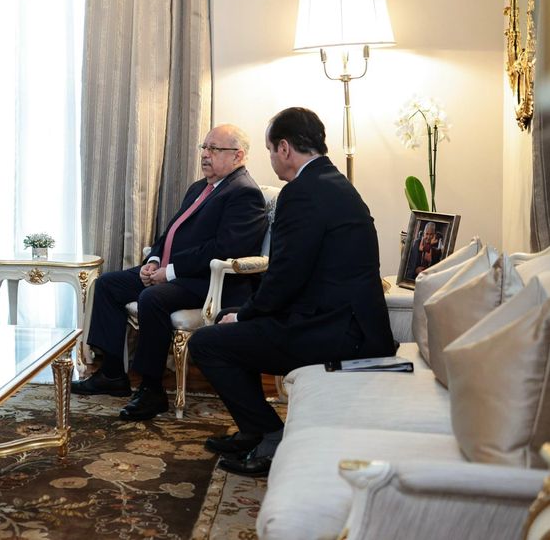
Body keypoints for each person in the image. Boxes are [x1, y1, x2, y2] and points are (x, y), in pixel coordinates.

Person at [188, 108, 395, 477]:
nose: (271, 160)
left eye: (270, 150)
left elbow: (285, 274)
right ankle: (254, 430)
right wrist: (248, 314)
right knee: (228, 325)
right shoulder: (334, 182)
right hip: (346, 322)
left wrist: (248, 313)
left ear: (284, 148)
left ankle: (270, 434)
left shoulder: (301, 192)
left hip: (334, 332)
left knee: (208, 342)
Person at [73, 124, 269, 421]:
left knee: (153, 298)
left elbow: (223, 249)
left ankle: (152, 390)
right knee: (109, 284)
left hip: (213, 283)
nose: (205, 155)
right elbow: (170, 233)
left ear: (237, 155)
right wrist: (153, 260)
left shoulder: (244, 193)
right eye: (204, 147)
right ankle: (113, 374)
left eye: (214, 149)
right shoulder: (199, 188)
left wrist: (170, 272)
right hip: (175, 273)